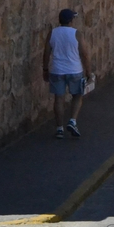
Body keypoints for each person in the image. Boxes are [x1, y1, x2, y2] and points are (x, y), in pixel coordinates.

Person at [43, 9, 92, 139]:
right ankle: (72, 121)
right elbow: (84, 54)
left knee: (58, 99)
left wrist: (45, 69)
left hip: (57, 70)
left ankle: (59, 129)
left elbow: (46, 53)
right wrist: (88, 71)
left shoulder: (52, 33)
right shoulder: (77, 34)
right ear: (70, 20)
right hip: (74, 70)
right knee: (77, 95)